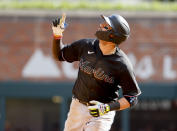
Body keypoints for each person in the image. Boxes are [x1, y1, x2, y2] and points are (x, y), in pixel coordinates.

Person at [52, 13, 141, 131]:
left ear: (113, 35)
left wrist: (107, 108)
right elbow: (60, 55)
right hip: (77, 107)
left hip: (102, 112)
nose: (101, 25)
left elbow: (131, 98)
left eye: (106, 26)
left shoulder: (122, 64)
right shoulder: (85, 45)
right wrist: (57, 35)